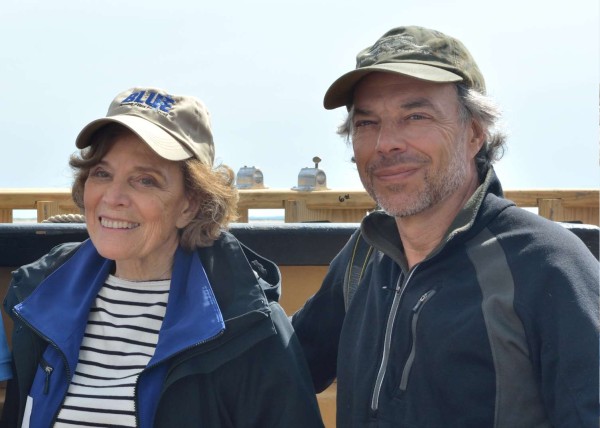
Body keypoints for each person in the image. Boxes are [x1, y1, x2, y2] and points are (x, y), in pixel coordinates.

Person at [292, 26, 599, 427]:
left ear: (475, 133)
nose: (385, 143)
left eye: (415, 116)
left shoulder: (544, 265)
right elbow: (283, 367)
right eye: (367, 123)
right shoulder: (365, 256)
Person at [1, 87, 324, 428]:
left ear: (190, 204)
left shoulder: (249, 328)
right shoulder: (38, 297)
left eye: (145, 180)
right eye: (102, 173)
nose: (113, 197)